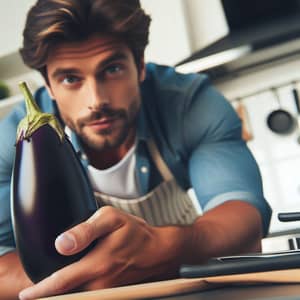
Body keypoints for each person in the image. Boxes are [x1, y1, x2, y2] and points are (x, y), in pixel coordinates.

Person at [0, 0, 272, 299]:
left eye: (112, 69)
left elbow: (244, 221)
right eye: (70, 79)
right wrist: (96, 277)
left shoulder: (189, 104)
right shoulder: (13, 142)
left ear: (140, 65)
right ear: (49, 86)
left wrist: (165, 247)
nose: (96, 100)